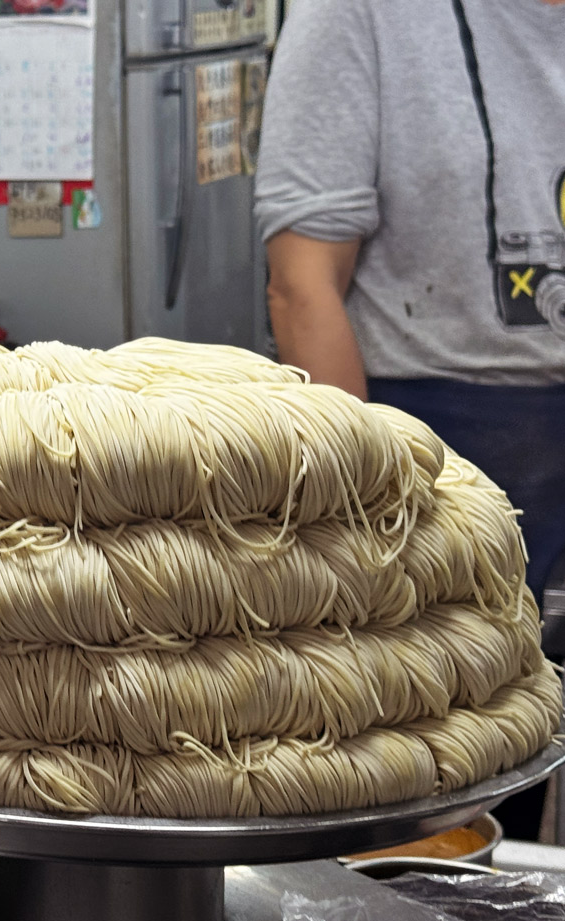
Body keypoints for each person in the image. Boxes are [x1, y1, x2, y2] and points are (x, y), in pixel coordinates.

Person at [256, 0, 565, 839]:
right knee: (438, 771)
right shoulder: (364, 14)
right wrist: (364, 520)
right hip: (438, 440)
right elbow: (303, 282)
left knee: (534, 749)